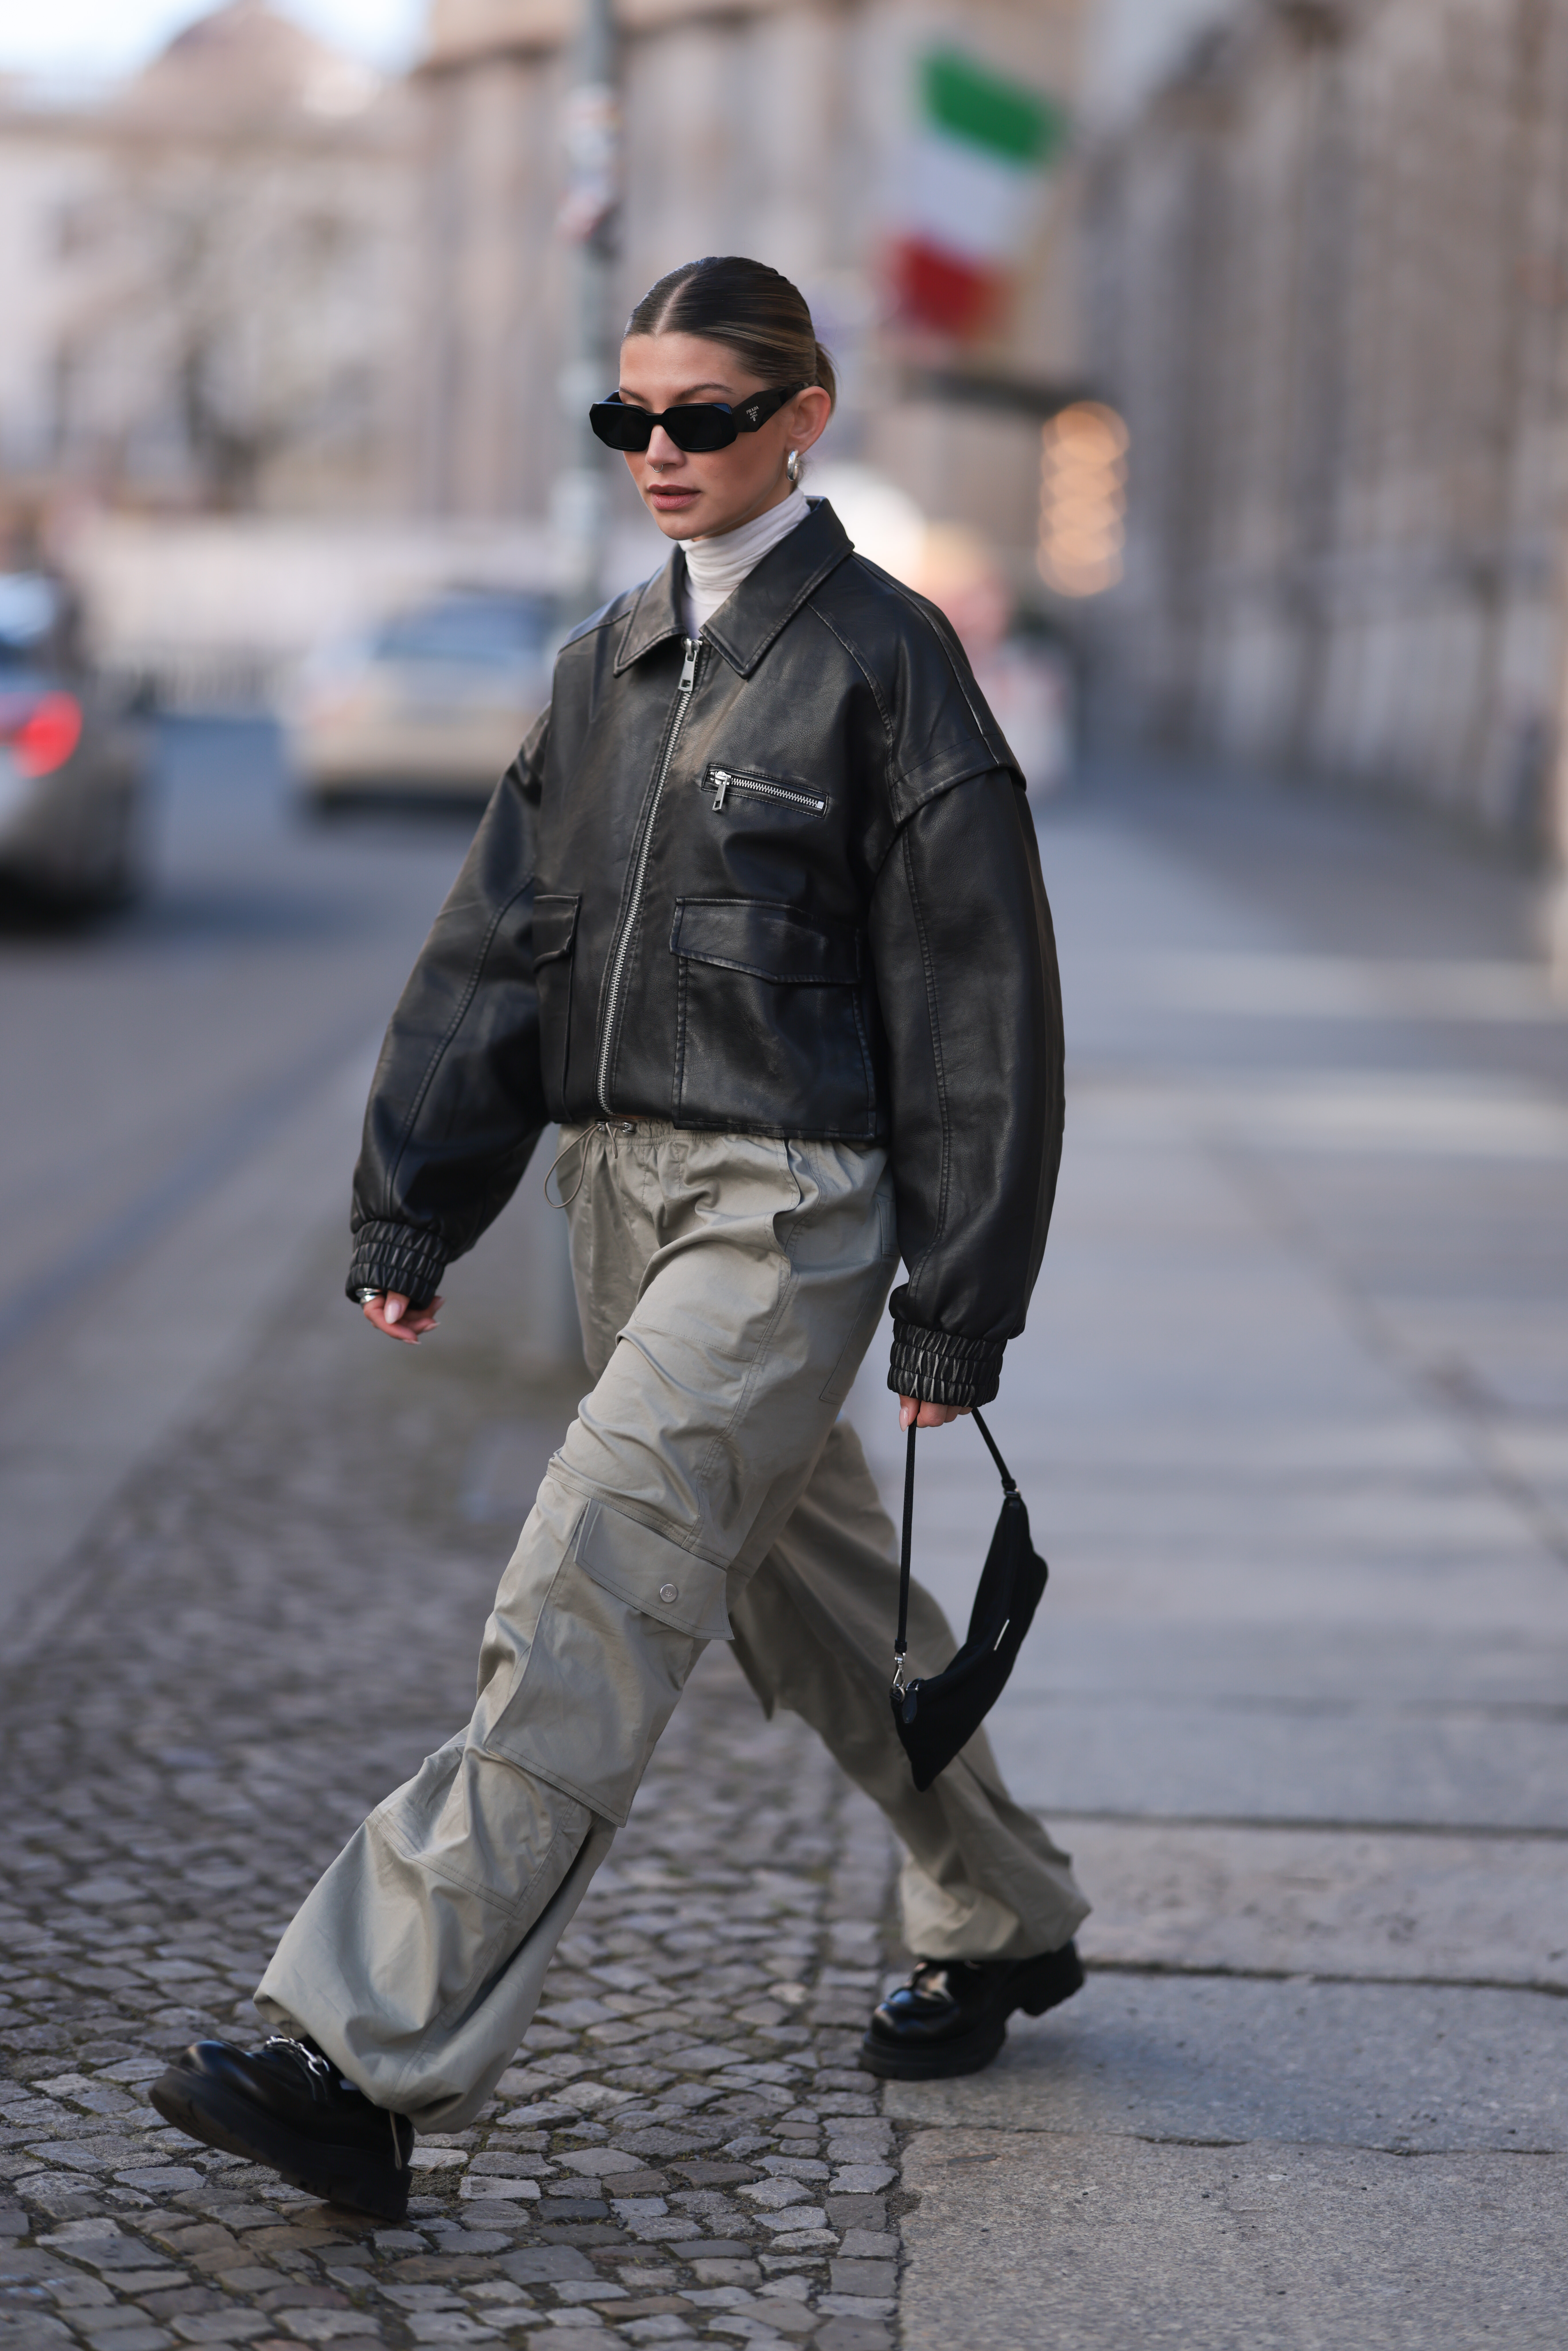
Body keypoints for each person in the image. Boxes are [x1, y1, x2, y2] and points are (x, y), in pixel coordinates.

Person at [151, 255, 1089, 2223]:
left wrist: (957, 1307)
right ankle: (1006, 1911)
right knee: (800, 1594)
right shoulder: (602, 668)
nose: (660, 454)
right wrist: (418, 1190)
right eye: (629, 420)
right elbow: (500, 939)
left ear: (803, 418)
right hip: (613, 1199)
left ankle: (364, 2050)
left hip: (788, 1209)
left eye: (705, 418)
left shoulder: (888, 663)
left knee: (594, 1572)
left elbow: (983, 997)